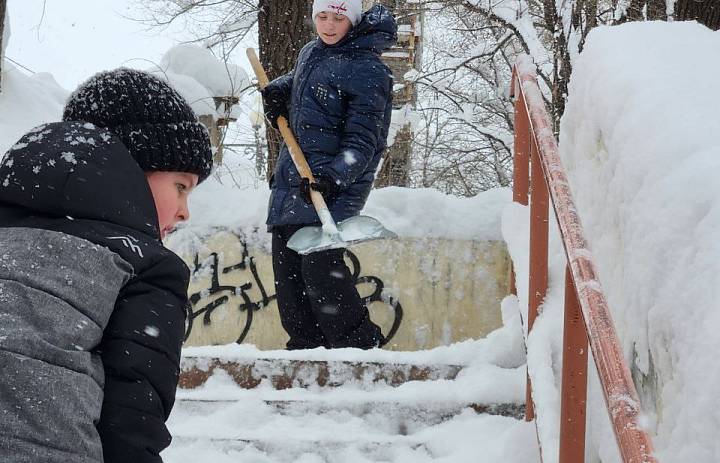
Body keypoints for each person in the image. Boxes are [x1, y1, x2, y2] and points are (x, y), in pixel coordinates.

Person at [0, 69, 213, 463]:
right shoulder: (145, 266)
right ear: (130, 168)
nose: (184, 213)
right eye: (181, 186)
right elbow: (131, 424)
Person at [261, 0, 397, 350]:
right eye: (322, 16)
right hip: (294, 181)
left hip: (333, 186)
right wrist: (280, 89)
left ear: (352, 21)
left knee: (321, 274)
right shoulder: (311, 52)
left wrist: (333, 178)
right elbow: (306, 83)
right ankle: (306, 354)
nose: (329, 25)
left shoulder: (369, 69)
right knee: (289, 279)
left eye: (338, 17)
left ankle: (361, 350)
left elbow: (364, 139)